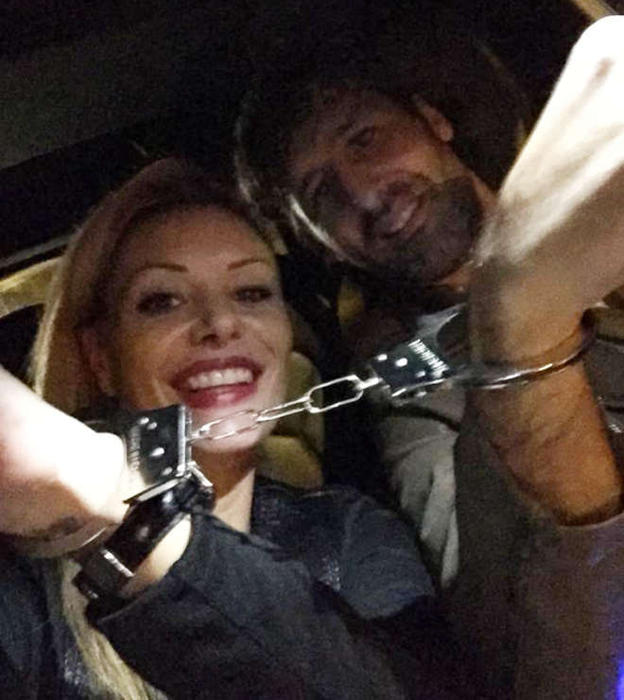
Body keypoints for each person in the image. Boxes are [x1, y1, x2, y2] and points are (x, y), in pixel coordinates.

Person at [237, 14, 624, 694]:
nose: (364, 193)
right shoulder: (402, 392)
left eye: (365, 138)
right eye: (322, 195)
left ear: (434, 121)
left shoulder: (598, 189)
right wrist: (510, 328)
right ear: (325, 246)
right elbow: (510, 631)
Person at [0, 158, 475, 699]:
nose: (221, 323)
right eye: (162, 300)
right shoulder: (25, 588)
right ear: (101, 358)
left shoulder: (346, 534)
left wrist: (122, 520)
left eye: (251, 292)